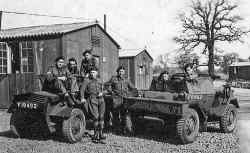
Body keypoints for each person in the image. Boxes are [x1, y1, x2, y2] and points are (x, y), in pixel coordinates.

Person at [80, 67, 107, 143]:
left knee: (101, 117)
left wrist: (103, 93)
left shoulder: (100, 80)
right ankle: (95, 135)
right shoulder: (86, 80)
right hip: (92, 100)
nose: (92, 74)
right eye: (91, 72)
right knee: (95, 117)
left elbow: (106, 89)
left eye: (94, 72)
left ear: (97, 73)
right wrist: (82, 98)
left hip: (101, 100)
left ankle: (101, 134)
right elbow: (82, 90)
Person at [107, 66, 136, 133]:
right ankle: (117, 129)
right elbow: (108, 86)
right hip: (116, 99)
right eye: (120, 71)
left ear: (124, 72)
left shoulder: (127, 79)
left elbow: (133, 88)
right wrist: (111, 92)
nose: (121, 73)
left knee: (123, 114)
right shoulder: (114, 79)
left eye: (122, 71)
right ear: (117, 72)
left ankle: (123, 129)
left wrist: (129, 94)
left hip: (124, 99)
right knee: (116, 115)